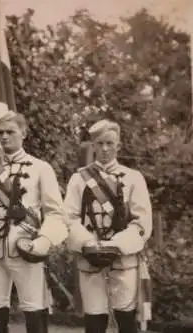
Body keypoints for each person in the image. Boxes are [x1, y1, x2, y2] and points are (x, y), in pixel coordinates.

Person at [0, 111, 68, 333]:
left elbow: (56, 213)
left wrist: (43, 242)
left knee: (34, 312)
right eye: (1, 133)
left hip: (27, 250)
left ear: (24, 134)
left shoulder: (41, 168)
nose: (5, 137)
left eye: (11, 132)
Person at [63, 119, 153, 333]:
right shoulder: (78, 179)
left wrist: (116, 244)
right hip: (90, 258)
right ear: (92, 145)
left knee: (126, 320)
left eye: (109, 143)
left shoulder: (133, 178)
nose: (104, 149)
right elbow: (68, 218)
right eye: (99, 143)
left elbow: (142, 221)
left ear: (118, 145)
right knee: (94, 321)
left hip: (124, 260)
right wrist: (87, 242)